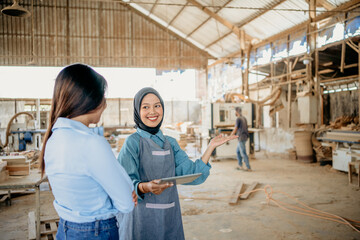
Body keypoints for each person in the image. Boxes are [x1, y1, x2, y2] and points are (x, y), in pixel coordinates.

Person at [117, 87, 237, 240]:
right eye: (145, 107)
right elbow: (123, 184)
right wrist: (144, 187)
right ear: (137, 111)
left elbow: (193, 174)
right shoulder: (132, 143)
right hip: (140, 217)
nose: (152, 112)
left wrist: (210, 147)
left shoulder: (170, 143)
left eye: (157, 105)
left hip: (168, 215)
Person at [40, 63, 136, 240]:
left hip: (65, 229)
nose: (105, 104)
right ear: (91, 99)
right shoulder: (92, 144)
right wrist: (123, 196)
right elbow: (126, 203)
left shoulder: (52, 140)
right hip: (96, 232)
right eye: (103, 97)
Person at [231, 106, 251, 171]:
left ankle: (248, 167)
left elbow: (235, 128)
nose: (235, 113)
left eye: (235, 111)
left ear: (236, 112)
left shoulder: (238, 119)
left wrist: (230, 136)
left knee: (243, 153)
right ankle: (240, 166)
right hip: (244, 136)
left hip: (241, 137)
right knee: (238, 152)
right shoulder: (244, 118)